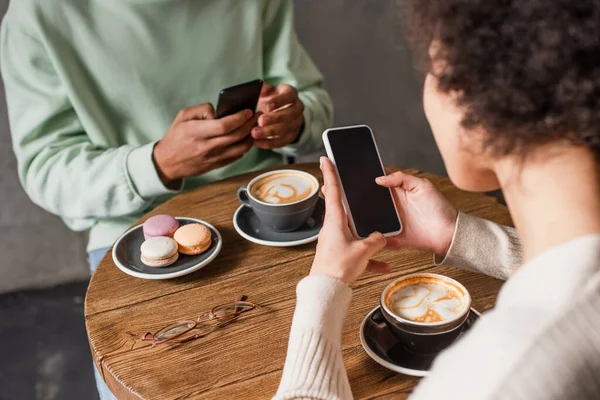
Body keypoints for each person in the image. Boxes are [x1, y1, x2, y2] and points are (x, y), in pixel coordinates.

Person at [0, 1, 332, 398]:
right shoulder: (36, 16)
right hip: (134, 228)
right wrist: (156, 164)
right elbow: (46, 170)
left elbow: (314, 105)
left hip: (264, 207)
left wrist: (295, 122)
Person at [274, 0, 600, 399]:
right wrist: (458, 236)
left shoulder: (496, 376)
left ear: (473, 99)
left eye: (435, 71)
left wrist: (323, 284)